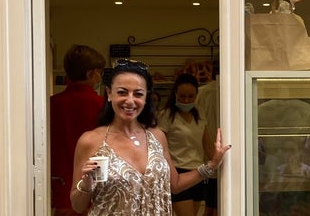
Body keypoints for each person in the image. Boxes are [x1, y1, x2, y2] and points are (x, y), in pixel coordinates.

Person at [69, 58, 231, 215]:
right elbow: (77, 206)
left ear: (146, 97)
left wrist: (212, 164)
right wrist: (87, 183)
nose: (130, 100)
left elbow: (175, 184)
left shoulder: (157, 136)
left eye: (138, 94)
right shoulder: (90, 141)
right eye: (122, 92)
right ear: (109, 94)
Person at [50, 44, 106, 216]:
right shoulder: (102, 105)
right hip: (94, 189)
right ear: (91, 73)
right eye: (99, 72)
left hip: (60, 187)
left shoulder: (51, 104)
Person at [157, 73, 213, 216]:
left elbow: (207, 146)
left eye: (190, 96)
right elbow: (159, 147)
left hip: (198, 172)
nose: (186, 100)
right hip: (177, 172)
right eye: (182, 96)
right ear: (175, 94)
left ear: (196, 95)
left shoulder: (200, 115)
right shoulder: (166, 115)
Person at [195, 58, 220, 216]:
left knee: (211, 206)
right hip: (213, 158)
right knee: (215, 206)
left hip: (208, 157)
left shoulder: (203, 93)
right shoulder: (238, 89)